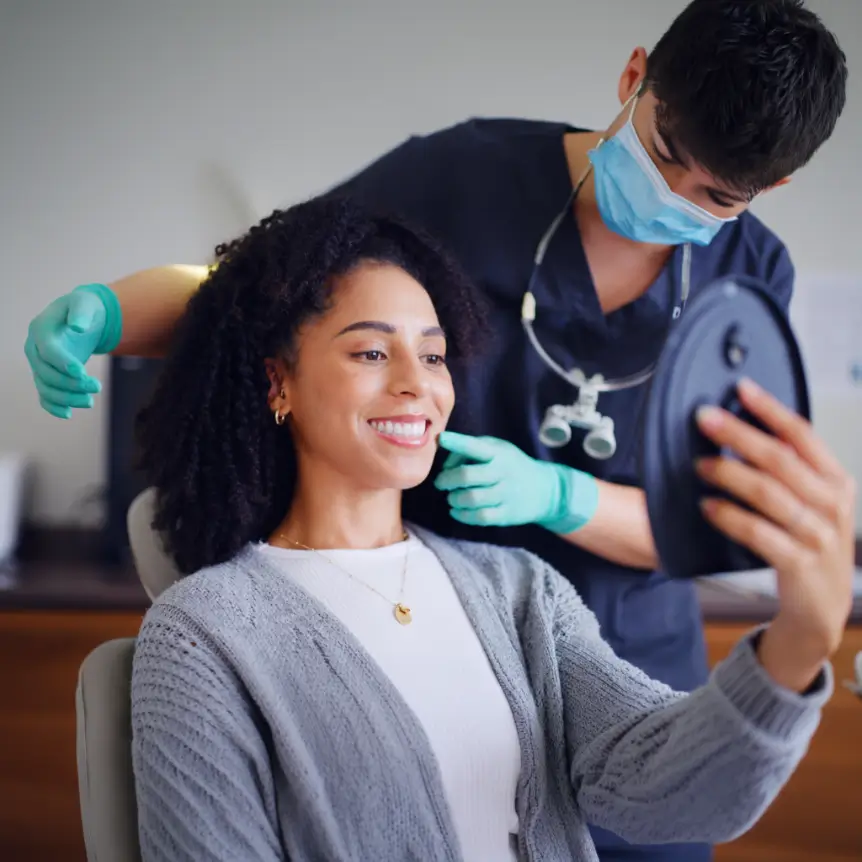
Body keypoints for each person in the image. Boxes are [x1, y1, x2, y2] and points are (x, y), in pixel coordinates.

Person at [23, 3, 848, 859]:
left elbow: (710, 528)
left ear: (767, 191)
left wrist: (564, 498)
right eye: (665, 154)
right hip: (391, 616)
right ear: (633, 76)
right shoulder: (462, 177)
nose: (673, 197)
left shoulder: (526, 594)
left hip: (604, 643)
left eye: (712, 196)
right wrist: (109, 310)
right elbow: (259, 288)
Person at [129, 196, 856, 862]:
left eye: (435, 353)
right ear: (276, 382)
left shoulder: (517, 591)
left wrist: (800, 638)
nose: (418, 381)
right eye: (372, 351)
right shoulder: (204, 635)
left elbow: (667, 781)